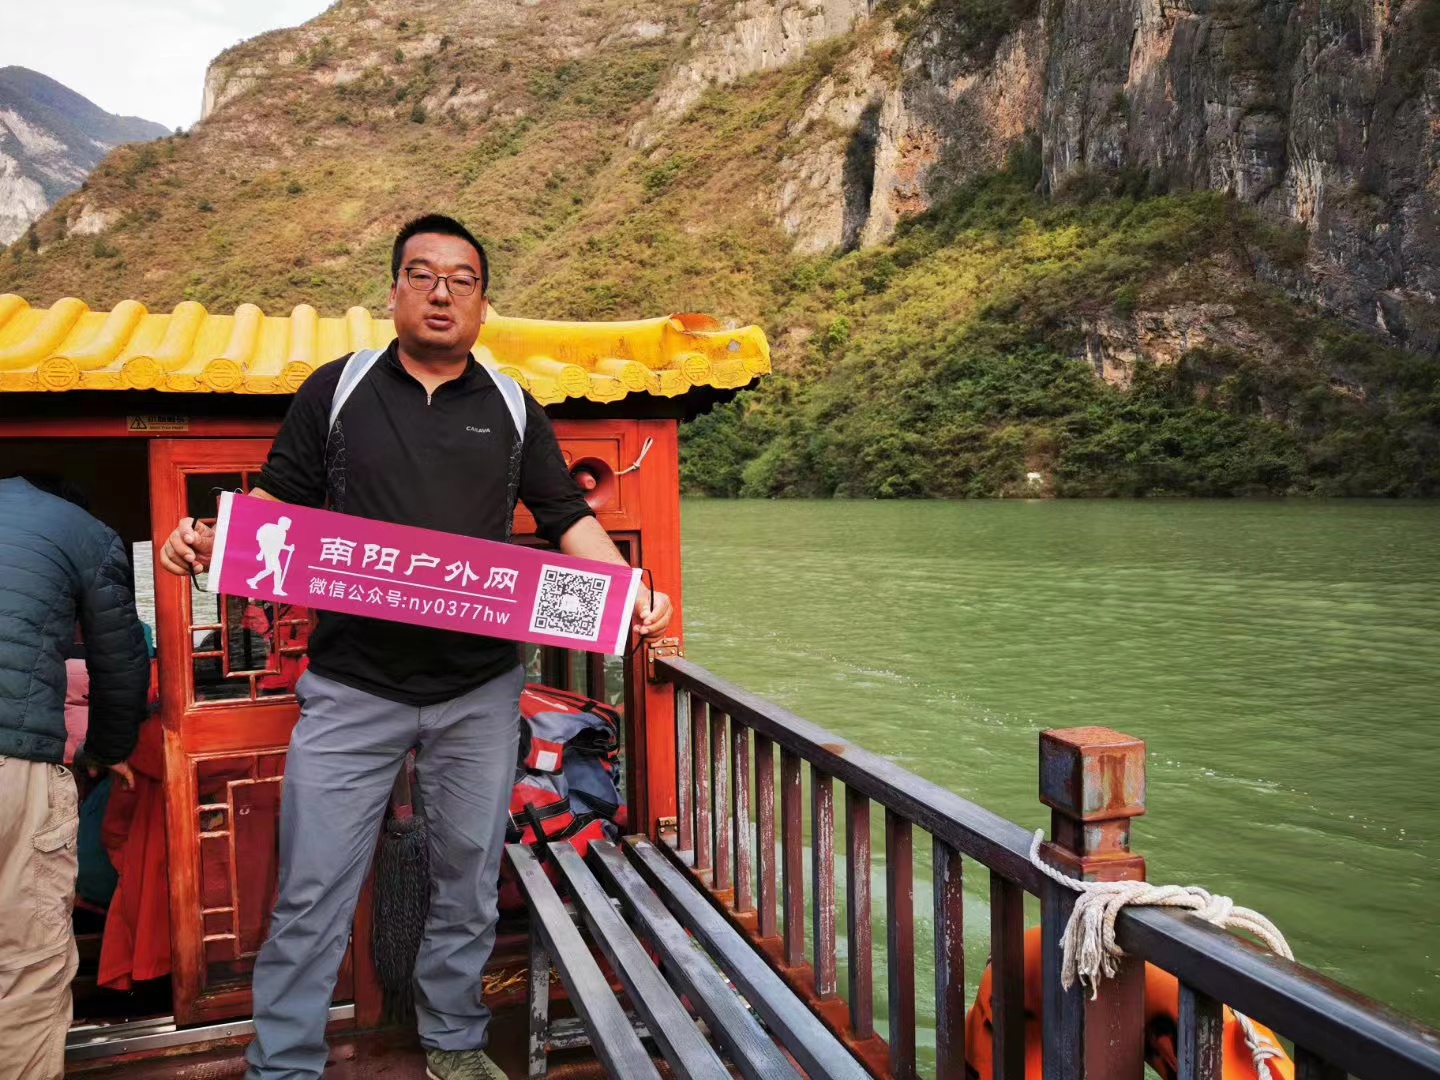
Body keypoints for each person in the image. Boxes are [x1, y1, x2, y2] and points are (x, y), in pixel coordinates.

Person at [160, 214, 673, 1080]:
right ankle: (283, 1064)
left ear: (483, 303)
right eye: (423, 275)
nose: (442, 293)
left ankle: (455, 1045)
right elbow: (277, 506)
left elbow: (568, 518)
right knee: (312, 887)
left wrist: (631, 593)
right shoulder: (339, 390)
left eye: (461, 280)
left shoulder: (511, 405)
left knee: (466, 883)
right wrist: (207, 539)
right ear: (394, 291)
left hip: (478, 691)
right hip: (351, 687)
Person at [0, 475, 148, 1080]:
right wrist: (105, 751)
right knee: (26, 957)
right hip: (16, 761)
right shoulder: (84, 532)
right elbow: (122, 662)